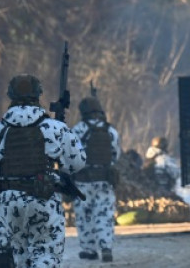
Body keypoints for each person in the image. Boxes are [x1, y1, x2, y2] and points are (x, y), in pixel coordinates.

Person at [0, 73, 86, 267]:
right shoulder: (55, 128)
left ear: (10, 96)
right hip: (44, 199)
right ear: (39, 95)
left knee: (17, 256)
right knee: (46, 253)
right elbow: (77, 163)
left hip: (6, 204)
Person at [71, 95, 121, 262]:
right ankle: (106, 247)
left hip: (83, 181)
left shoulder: (77, 130)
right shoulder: (110, 131)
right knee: (105, 215)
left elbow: (71, 156)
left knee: (84, 216)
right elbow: (115, 155)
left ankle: (89, 249)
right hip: (105, 180)